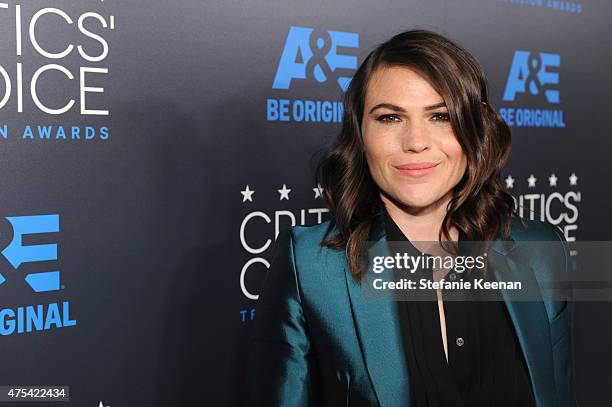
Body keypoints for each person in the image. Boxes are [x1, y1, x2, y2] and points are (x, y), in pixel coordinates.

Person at [245, 29, 577, 407]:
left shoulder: (540, 250)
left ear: (477, 127)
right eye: (390, 118)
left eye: (440, 116)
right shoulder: (309, 265)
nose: (416, 141)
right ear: (360, 132)